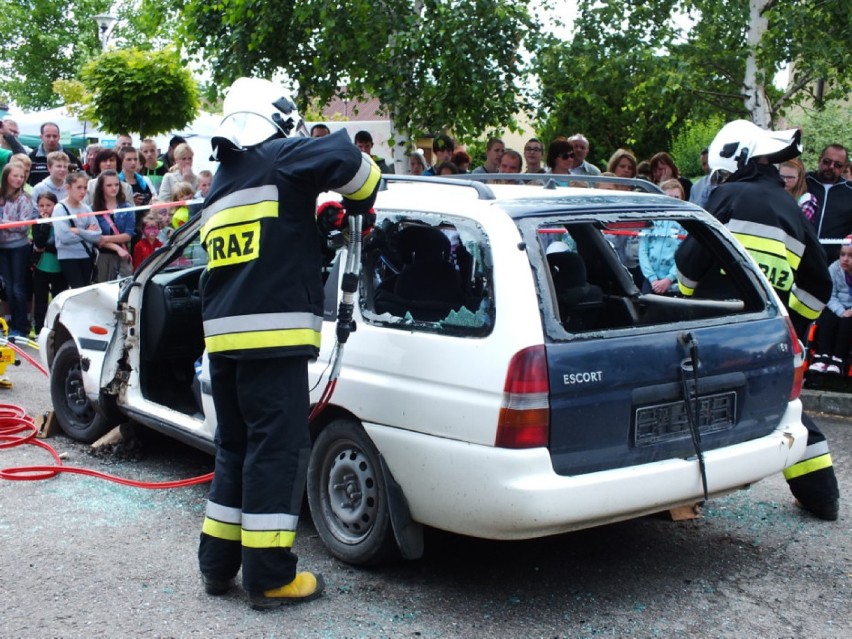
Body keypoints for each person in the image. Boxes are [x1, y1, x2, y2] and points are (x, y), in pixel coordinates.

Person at [197, 77, 381, 609]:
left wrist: (313, 223)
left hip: (224, 342)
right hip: (272, 340)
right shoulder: (279, 158)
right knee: (276, 452)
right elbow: (354, 167)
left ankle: (217, 566)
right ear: (276, 119)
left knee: (236, 449)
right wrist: (356, 194)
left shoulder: (223, 182)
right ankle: (272, 577)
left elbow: (267, 252)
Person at [675, 119, 839, 521]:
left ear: (738, 159)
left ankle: (677, 497)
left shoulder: (726, 195)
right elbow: (819, 282)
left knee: (688, 405)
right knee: (784, 405)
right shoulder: (791, 208)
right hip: (767, 334)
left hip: (717, 328)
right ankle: (823, 496)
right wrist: (793, 325)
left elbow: (689, 264)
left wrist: (686, 302)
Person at [0, 162, 37, 336]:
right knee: (8, 287)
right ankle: (12, 323)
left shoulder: (25, 198)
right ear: (6, 176)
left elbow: (23, 226)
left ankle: (21, 326)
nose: (19, 179)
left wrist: (4, 224)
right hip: (2, 247)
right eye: (15, 175)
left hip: (18, 248)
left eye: (22, 176)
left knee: (17, 288)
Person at [810, 235, 852, 375]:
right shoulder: (834, 268)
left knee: (847, 323)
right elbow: (830, 294)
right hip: (838, 306)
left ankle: (838, 359)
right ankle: (823, 355)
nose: (845, 259)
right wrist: (840, 311)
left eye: (850, 256)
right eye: (843, 255)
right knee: (827, 318)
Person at [806, 144, 852, 263]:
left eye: (838, 165)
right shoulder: (804, 182)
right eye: (827, 162)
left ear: (844, 168)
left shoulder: (850, 190)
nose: (831, 167)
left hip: (833, 264)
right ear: (819, 160)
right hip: (799, 256)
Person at [639, 178, 685, 295]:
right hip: (650, 281)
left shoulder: (685, 224)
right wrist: (652, 278)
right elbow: (643, 251)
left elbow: (685, 255)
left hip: (673, 283)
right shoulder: (651, 220)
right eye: (668, 197)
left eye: (676, 198)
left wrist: (669, 278)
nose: (672, 201)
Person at [31, 192, 67, 332]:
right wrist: (45, 225)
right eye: (41, 205)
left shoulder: (62, 220)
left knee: (59, 299)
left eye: (48, 205)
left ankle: (59, 328)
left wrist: (47, 247)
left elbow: (61, 245)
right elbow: (39, 244)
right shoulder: (37, 222)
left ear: (55, 206)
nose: (44, 209)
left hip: (59, 267)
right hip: (41, 267)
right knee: (40, 300)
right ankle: (39, 328)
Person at [92, 170, 135, 282]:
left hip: (123, 255)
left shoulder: (126, 207)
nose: (114, 188)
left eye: (116, 184)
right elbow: (95, 238)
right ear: (101, 187)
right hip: (103, 256)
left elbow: (128, 235)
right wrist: (116, 247)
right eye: (109, 185)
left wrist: (105, 238)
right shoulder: (93, 209)